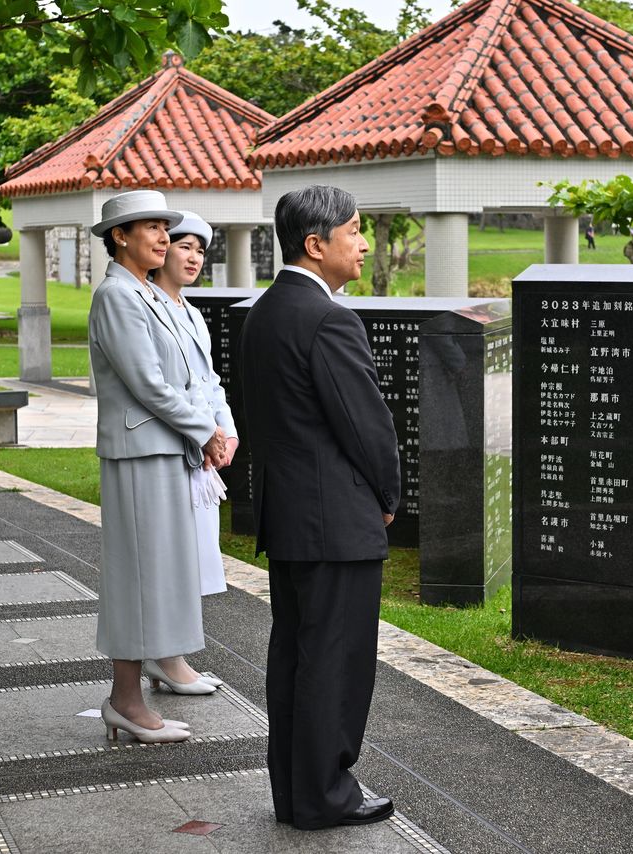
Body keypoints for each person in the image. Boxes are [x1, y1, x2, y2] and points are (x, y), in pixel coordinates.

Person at [240, 185, 402, 830]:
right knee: (334, 663)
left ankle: (297, 792)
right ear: (315, 243)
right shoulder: (329, 318)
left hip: (289, 514)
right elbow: (365, 424)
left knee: (296, 659)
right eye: (354, 231)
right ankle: (326, 795)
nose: (363, 243)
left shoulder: (264, 312)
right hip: (335, 519)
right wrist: (388, 494)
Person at [89, 190, 229, 744]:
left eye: (165, 227)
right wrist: (206, 430)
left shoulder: (147, 294)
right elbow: (149, 384)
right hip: (139, 453)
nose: (164, 237)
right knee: (137, 576)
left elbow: (187, 379)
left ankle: (145, 683)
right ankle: (124, 700)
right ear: (120, 236)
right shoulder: (117, 296)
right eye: (152, 226)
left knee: (161, 573)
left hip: (164, 449)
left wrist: (211, 430)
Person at [148, 212, 239, 604]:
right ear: (163, 250)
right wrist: (204, 434)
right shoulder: (146, 305)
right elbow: (160, 387)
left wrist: (228, 433)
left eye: (200, 251)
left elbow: (209, 381)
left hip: (204, 451)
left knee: (198, 565)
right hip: (178, 447)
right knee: (172, 568)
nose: (194, 258)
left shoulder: (193, 313)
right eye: (185, 247)